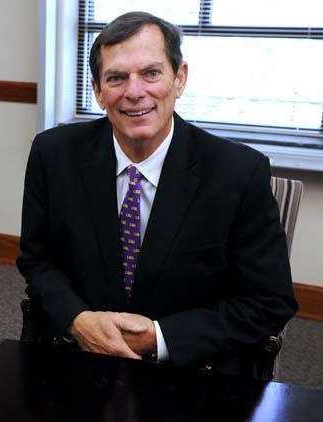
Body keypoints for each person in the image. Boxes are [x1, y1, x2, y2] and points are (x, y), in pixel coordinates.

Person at [17, 11, 296, 375]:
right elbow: (37, 261)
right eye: (116, 78)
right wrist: (77, 319)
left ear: (179, 79)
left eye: (151, 73)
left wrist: (159, 337)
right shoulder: (52, 155)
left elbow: (270, 301)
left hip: (194, 373)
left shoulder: (239, 173)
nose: (134, 92)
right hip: (77, 360)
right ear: (99, 92)